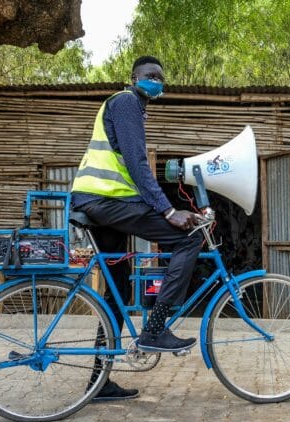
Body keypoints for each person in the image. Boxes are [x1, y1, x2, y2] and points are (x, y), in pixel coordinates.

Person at [71, 56, 203, 401]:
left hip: (98, 202)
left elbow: (130, 166)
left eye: (160, 77)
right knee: (189, 238)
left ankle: (98, 384)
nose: (156, 81)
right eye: (150, 75)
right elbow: (136, 161)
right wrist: (169, 209)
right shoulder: (127, 101)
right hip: (105, 201)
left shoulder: (126, 106)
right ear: (133, 78)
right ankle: (156, 329)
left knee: (117, 293)